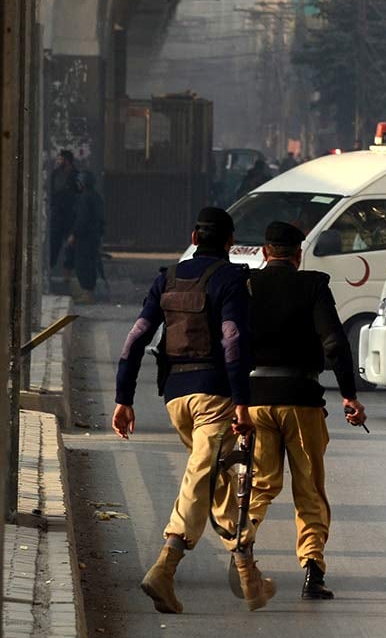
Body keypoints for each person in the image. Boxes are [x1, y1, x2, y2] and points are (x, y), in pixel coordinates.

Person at [111, 207, 276, 613]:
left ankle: (249, 577)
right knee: (201, 477)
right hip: (215, 397)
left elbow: (135, 339)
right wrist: (242, 401)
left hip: (175, 398)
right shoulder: (230, 279)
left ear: (193, 236)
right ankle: (164, 569)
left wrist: (123, 398)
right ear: (228, 242)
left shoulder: (166, 278)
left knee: (214, 477)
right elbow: (233, 342)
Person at [233, 221, 367, 600]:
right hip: (302, 400)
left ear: (264, 252)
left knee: (260, 483)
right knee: (309, 488)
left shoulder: (247, 286)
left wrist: (235, 397)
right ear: (298, 254)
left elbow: (230, 341)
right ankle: (313, 570)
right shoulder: (313, 285)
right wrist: (349, 396)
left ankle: (243, 544)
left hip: (255, 399)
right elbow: (335, 343)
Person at [64, 171, 104, 303]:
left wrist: (74, 234)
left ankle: (87, 295)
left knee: (83, 265)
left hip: (84, 238)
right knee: (90, 265)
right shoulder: (96, 197)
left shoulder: (84, 198)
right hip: (93, 237)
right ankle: (88, 294)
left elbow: (82, 219)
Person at [48, 150, 79, 273]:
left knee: (70, 246)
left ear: (67, 160)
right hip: (57, 214)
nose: (58, 161)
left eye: (61, 159)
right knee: (54, 243)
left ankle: (68, 272)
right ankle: (50, 268)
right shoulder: (55, 174)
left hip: (70, 215)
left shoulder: (76, 175)